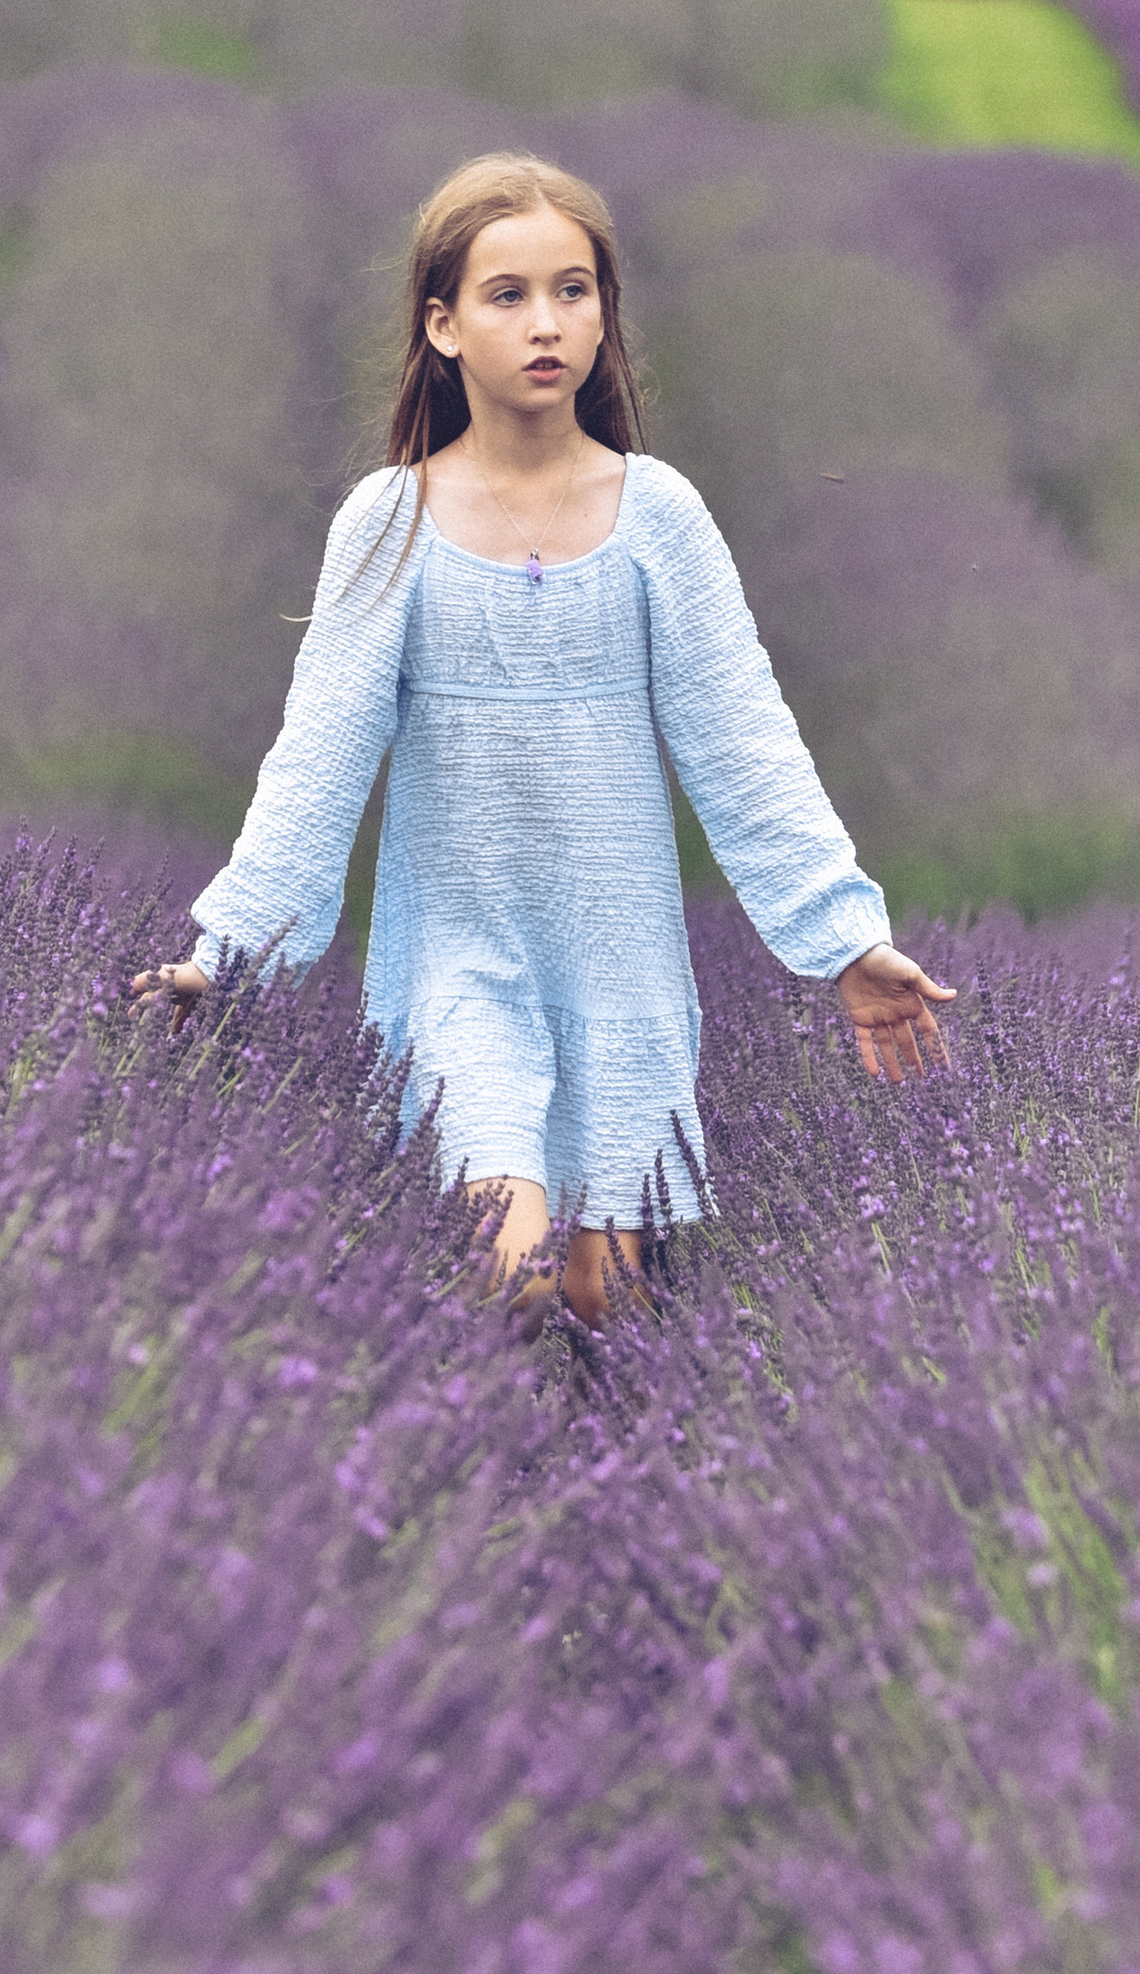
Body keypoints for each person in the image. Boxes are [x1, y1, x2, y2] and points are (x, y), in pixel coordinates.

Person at [134, 150, 955, 1334]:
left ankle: (553, 1494)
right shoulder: (391, 523)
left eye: (574, 292)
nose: (546, 324)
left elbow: (746, 745)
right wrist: (228, 956)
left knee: (597, 1305)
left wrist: (844, 942)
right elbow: (315, 762)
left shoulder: (657, 516)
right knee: (505, 1271)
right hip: (455, 971)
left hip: (620, 975)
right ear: (443, 325)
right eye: (507, 295)